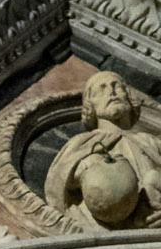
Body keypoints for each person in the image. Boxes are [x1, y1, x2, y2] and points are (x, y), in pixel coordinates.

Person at [45, 70, 161, 229]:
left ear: (129, 97)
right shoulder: (82, 144)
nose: (111, 92)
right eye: (102, 89)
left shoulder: (151, 141)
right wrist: (84, 169)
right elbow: (58, 183)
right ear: (90, 105)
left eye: (117, 87)